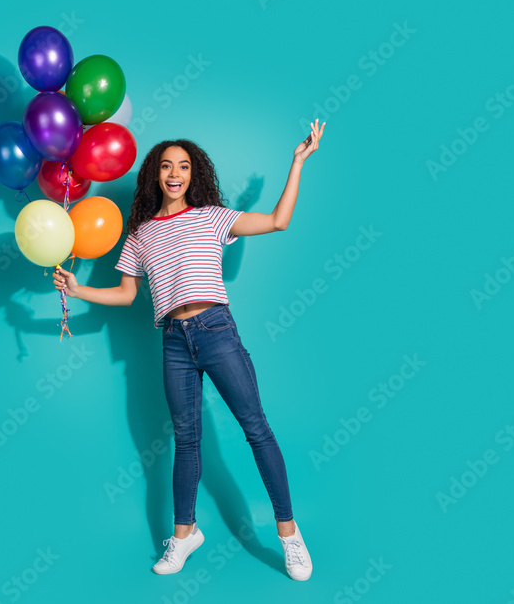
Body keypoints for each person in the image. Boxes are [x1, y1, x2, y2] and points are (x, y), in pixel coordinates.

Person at [53, 119, 325, 581]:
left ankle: (289, 534)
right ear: (154, 175)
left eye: (182, 166)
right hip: (174, 342)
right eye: (165, 166)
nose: (174, 174)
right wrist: (78, 292)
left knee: (256, 428)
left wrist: (297, 162)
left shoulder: (212, 216)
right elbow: (124, 294)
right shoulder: (140, 234)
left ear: (193, 173)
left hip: (217, 330)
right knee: (186, 441)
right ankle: (184, 536)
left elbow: (280, 221)